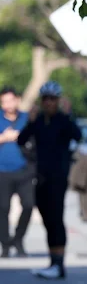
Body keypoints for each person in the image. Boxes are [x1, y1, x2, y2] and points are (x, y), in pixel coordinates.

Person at [18, 81, 82, 279]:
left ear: (58, 100)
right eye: (45, 99)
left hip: (58, 178)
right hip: (40, 178)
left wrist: (69, 115)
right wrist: (30, 121)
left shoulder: (63, 120)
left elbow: (78, 135)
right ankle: (52, 262)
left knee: (56, 219)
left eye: (52, 99)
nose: (48, 102)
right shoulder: (37, 121)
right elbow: (21, 140)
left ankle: (59, 265)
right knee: (47, 219)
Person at [0, 86, 33, 258]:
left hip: (24, 170)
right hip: (2, 171)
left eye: (10, 100)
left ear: (17, 100)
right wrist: (4, 137)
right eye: (4, 101)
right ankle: (5, 244)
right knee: (2, 209)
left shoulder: (26, 118)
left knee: (28, 205)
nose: (8, 104)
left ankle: (18, 239)